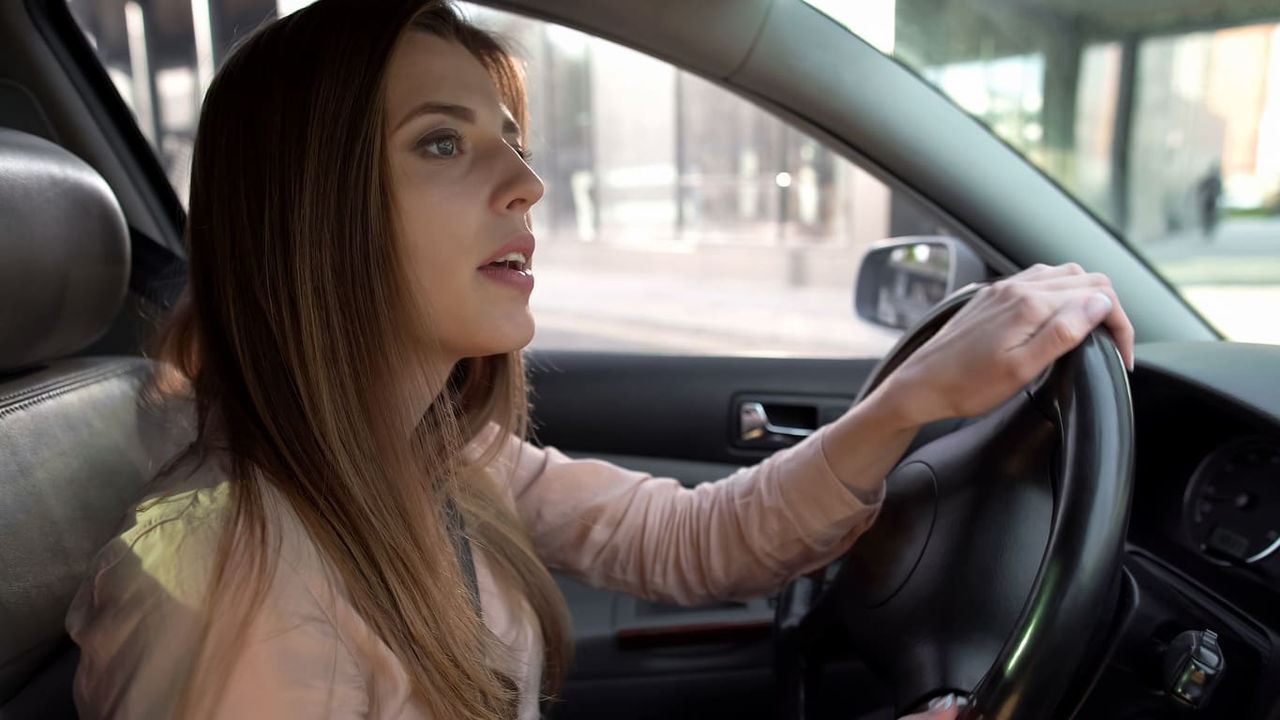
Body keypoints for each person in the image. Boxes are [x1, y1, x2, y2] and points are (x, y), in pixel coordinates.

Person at [63, 1, 1136, 718]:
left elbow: (691, 539)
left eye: (510, 137)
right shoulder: (234, 583)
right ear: (309, 216)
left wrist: (915, 400)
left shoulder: (443, 462)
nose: (525, 181)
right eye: (443, 141)